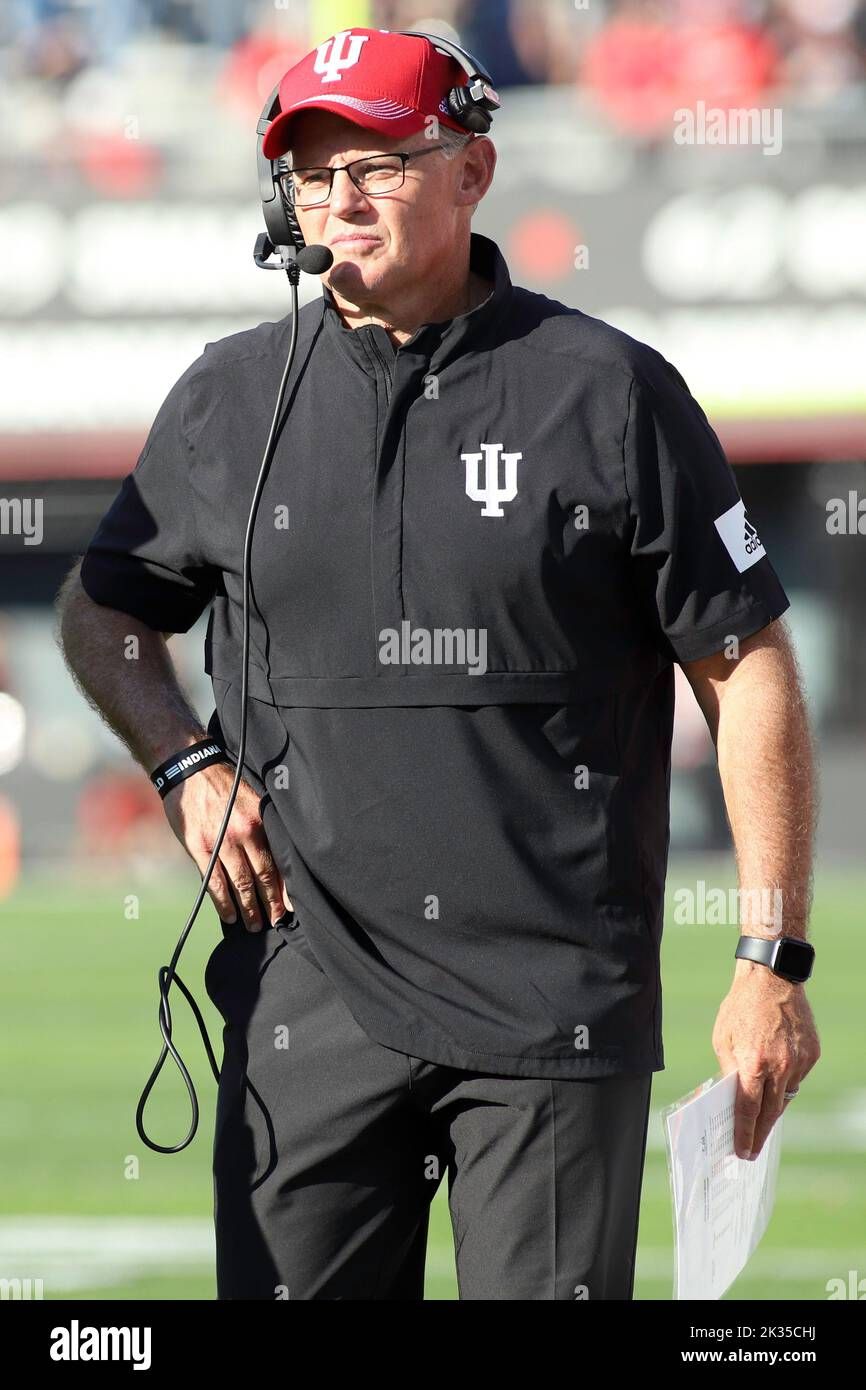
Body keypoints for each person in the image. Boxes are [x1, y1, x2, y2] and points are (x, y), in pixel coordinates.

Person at [57, 26, 820, 1300]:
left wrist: (769, 957)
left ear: (472, 171)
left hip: (551, 1005)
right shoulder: (226, 397)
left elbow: (746, 669)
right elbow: (102, 611)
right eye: (309, 170)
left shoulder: (609, 392)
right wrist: (182, 758)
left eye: (378, 162)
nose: (338, 198)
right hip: (305, 992)